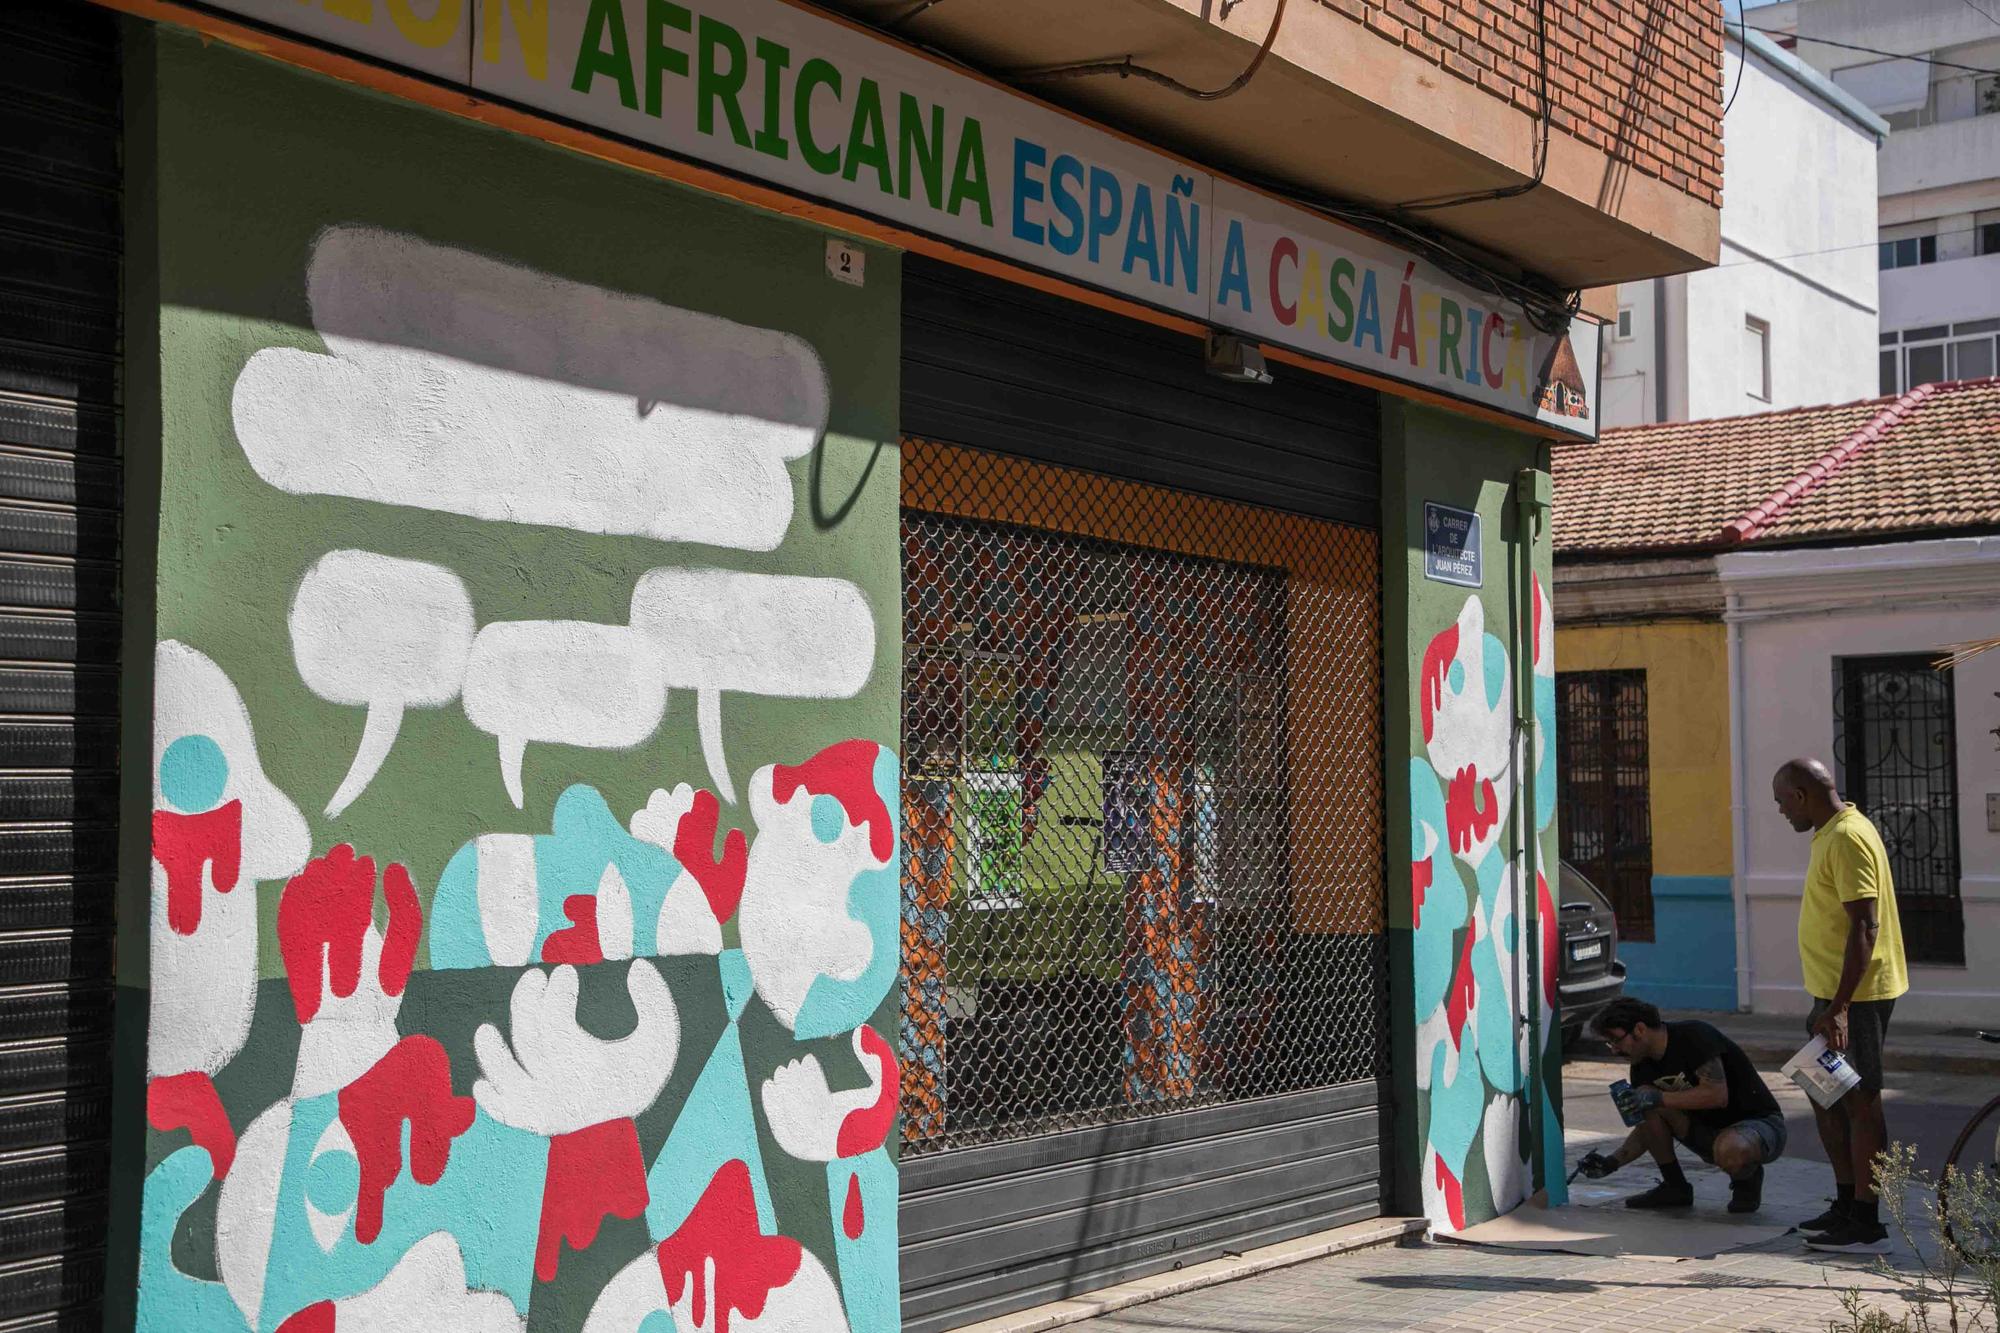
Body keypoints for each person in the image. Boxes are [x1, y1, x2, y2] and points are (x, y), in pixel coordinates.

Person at [1771, 757, 1908, 1255]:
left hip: (1859, 996)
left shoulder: (1848, 836)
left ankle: (1868, 1222)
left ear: (1803, 794)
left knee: (1860, 1100)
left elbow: (1864, 926)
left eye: (1783, 802)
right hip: (1831, 993)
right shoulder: (1831, 831)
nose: (1782, 813)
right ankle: (1847, 1203)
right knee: (1823, 1090)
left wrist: (1843, 1007)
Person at [1575, 997, 1785, 1214]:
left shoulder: (1694, 1036)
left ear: (1639, 1029)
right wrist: (1611, 1162)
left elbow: (1716, 1095)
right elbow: (1647, 1127)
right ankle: (1675, 1186)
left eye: (1616, 1040)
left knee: (1730, 1149)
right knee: (1646, 1105)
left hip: (1758, 1126)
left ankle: (1746, 1178)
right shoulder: (1642, 1066)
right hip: (1706, 1134)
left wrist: (1657, 1098)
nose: (1614, 1050)